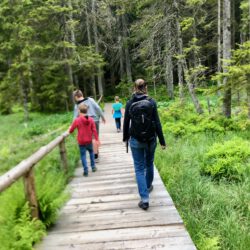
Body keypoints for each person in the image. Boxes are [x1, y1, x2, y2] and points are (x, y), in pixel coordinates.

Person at [123, 79, 166, 210]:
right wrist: (162, 141)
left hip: (136, 140)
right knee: (149, 163)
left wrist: (125, 138)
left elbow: (126, 123)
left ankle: (145, 199)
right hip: (151, 139)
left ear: (134, 88)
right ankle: (148, 186)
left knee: (139, 168)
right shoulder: (152, 102)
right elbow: (157, 123)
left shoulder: (130, 103)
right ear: (146, 87)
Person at [73, 90, 105, 162]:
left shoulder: (77, 105)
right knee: (95, 137)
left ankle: (93, 154)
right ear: (82, 94)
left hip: (84, 123)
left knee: (89, 138)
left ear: (76, 97)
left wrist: (73, 127)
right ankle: (96, 155)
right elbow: (98, 108)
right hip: (95, 120)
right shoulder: (91, 100)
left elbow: (75, 118)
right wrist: (103, 117)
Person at [69, 103, 99, 176]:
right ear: (87, 111)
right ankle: (93, 167)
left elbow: (71, 130)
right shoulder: (91, 120)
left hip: (81, 141)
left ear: (79, 111)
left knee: (83, 155)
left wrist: (69, 130)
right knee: (91, 153)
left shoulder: (77, 120)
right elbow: (94, 130)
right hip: (89, 140)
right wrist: (97, 139)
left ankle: (85, 170)